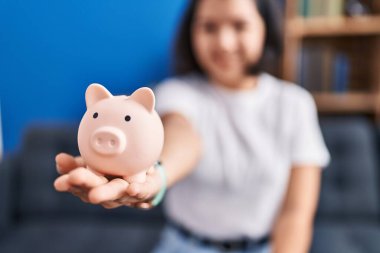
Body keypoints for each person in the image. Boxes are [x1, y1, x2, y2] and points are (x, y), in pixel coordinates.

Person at [54, 0, 330, 252]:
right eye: (209, 27)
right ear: (192, 33)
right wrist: (158, 177)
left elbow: (296, 213)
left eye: (239, 25)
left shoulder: (295, 104)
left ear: (265, 28)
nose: (223, 42)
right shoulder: (176, 92)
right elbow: (183, 136)